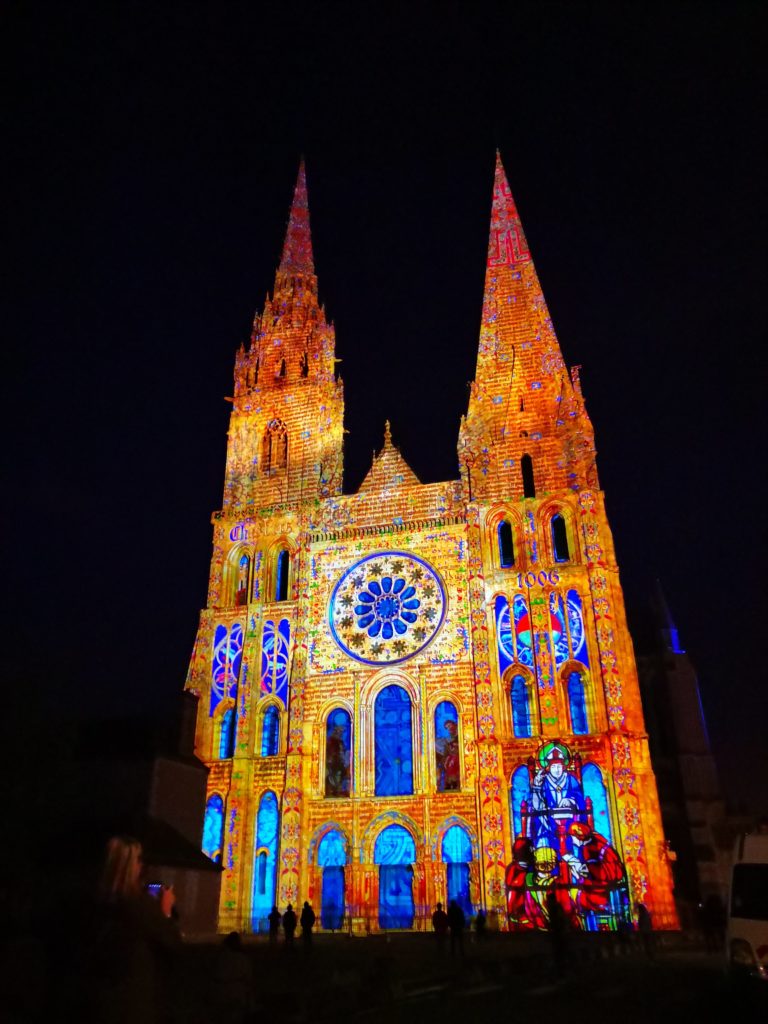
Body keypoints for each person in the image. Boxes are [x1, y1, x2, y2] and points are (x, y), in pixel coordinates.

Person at [92, 835, 180, 1024]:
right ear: (130, 865)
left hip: (100, 1003)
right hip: (133, 1004)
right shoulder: (139, 906)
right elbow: (172, 943)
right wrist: (166, 911)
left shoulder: (97, 904)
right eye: (139, 860)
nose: (142, 866)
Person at [212, 931, 254, 1024]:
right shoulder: (242, 958)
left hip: (221, 991)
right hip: (237, 992)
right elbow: (248, 978)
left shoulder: (220, 958)